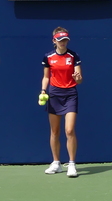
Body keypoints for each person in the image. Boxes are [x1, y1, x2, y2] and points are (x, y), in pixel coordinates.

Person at [40, 27, 82, 178]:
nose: (63, 43)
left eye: (65, 40)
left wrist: (77, 78)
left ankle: (71, 164)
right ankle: (56, 163)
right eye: (60, 40)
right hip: (54, 94)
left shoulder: (73, 55)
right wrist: (43, 91)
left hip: (70, 94)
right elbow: (46, 77)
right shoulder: (48, 57)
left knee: (69, 130)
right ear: (54, 41)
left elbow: (80, 79)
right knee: (55, 131)